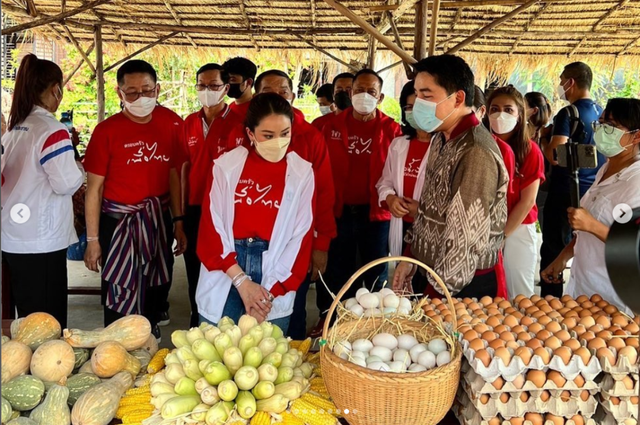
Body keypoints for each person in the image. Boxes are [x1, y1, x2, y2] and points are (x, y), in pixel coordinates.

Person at [83, 59, 187, 340]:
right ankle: (117, 343)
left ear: (158, 88)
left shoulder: (171, 122)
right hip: (118, 225)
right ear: (119, 93)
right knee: (120, 286)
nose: (140, 97)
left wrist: (178, 222)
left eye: (147, 90)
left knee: (157, 284)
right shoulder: (107, 131)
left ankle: (149, 335)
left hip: (157, 220)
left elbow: (174, 175)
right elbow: (94, 189)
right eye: (131, 92)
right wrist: (93, 241)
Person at [196, 93, 316, 332]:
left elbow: (300, 236)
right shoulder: (225, 166)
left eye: (285, 134)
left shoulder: (302, 173)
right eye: (268, 136)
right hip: (227, 269)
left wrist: (269, 293)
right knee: (216, 356)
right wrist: (242, 282)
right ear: (250, 134)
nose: (278, 142)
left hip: (275, 273)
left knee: (264, 361)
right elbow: (212, 227)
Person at [393, 55, 509, 299]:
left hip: (462, 286)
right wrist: (411, 257)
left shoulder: (475, 151)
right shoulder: (441, 138)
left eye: (427, 96)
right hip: (433, 274)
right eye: (417, 94)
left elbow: (464, 241)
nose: (418, 104)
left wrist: (435, 296)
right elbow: (427, 208)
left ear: (457, 98)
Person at [313, 68, 401, 334]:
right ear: (350, 93)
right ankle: (327, 319)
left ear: (381, 96)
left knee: (374, 270)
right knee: (333, 270)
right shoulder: (327, 127)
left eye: (371, 92)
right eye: (359, 90)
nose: (364, 96)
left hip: (375, 216)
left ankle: (372, 327)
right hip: (336, 212)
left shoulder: (393, 130)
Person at [1, 54, 84, 328]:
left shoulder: (15, 128)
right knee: (47, 324)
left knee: (25, 318)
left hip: (13, 236)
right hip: (41, 241)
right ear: (55, 90)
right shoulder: (52, 130)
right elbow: (66, 183)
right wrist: (80, 167)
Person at [541, 98, 640, 314]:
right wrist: (563, 257)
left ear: (636, 136)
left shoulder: (637, 182)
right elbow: (586, 232)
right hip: (584, 285)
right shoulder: (605, 169)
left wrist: (591, 225)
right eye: (601, 122)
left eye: (611, 126)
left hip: (613, 295)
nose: (602, 130)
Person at [180, 63, 243, 327]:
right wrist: (179, 218)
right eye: (202, 86)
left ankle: (226, 323)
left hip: (226, 211)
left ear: (226, 89)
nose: (208, 91)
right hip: (194, 208)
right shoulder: (189, 123)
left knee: (223, 267)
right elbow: (182, 170)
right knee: (195, 269)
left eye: (214, 86)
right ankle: (198, 323)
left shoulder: (239, 123)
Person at [540, 62, 604, 298]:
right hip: (593, 192)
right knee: (584, 246)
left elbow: (556, 156)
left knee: (554, 247)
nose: (560, 87)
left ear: (571, 83)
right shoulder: (601, 112)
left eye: (561, 81)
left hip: (565, 190)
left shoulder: (568, 113)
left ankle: (551, 299)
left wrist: (543, 140)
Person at [487, 86, 545, 299]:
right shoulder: (483, 146)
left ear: (520, 116)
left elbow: (527, 201)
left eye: (508, 110)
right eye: (494, 108)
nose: (500, 114)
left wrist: (502, 235)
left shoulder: (530, 151)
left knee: (518, 292)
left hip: (518, 228)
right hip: (486, 228)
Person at [376, 80, 431, 257]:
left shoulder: (446, 147)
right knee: (402, 277)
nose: (414, 112)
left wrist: (423, 211)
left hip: (431, 228)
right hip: (402, 225)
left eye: (420, 106)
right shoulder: (399, 144)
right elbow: (385, 182)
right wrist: (390, 198)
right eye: (408, 106)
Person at [525, 91, 553, 227]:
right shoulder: (545, 133)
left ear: (533, 110)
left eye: (523, 106)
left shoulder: (544, 135)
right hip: (542, 187)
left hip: (540, 188)